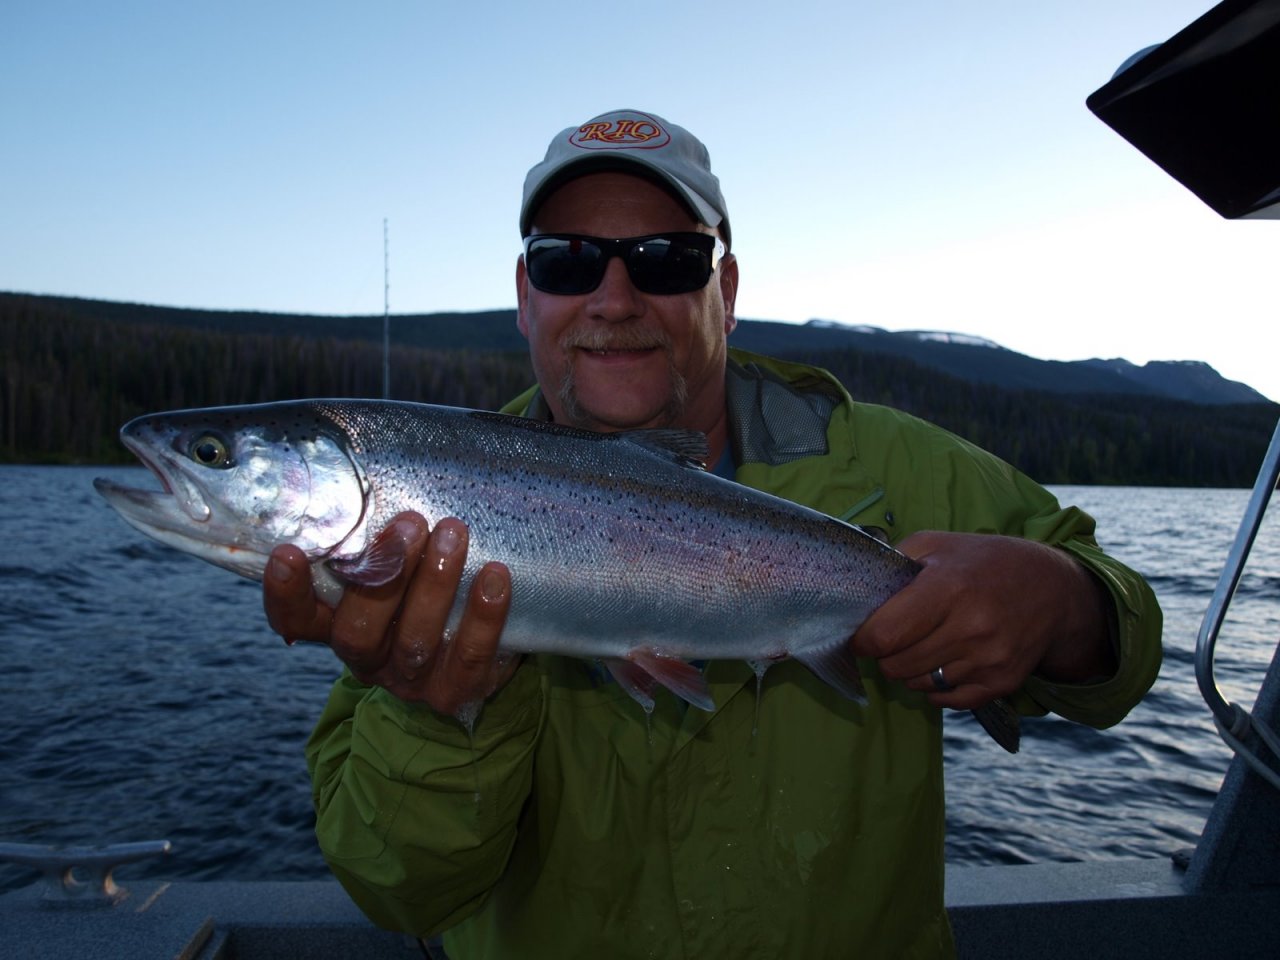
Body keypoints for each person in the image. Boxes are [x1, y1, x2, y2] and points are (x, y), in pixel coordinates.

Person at [264, 109, 1162, 958]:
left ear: (724, 290)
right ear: (524, 296)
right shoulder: (423, 507)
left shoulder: (900, 467)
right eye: (568, 261)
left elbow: (1122, 654)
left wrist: (1062, 601)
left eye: (666, 258)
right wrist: (435, 715)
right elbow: (398, 889)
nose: (614, 298)